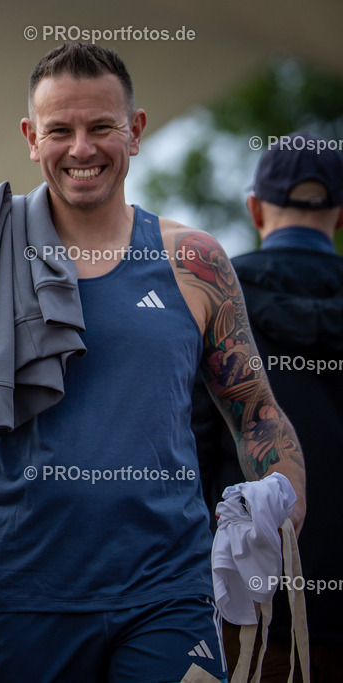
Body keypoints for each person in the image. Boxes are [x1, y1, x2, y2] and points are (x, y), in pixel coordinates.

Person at [0, 42, 306, 682]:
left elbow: (256, 413)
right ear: (32, 138)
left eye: (101, 127)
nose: (81, 149)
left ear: (135, 131)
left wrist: (283, 507)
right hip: (18, 599)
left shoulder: (193, 262)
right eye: (60, 130)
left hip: (170, 597)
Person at [193, 132, 343, 682]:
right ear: (341, 215)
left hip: (254, 616)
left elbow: (189, 451)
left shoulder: (214, 300)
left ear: (255, 209)